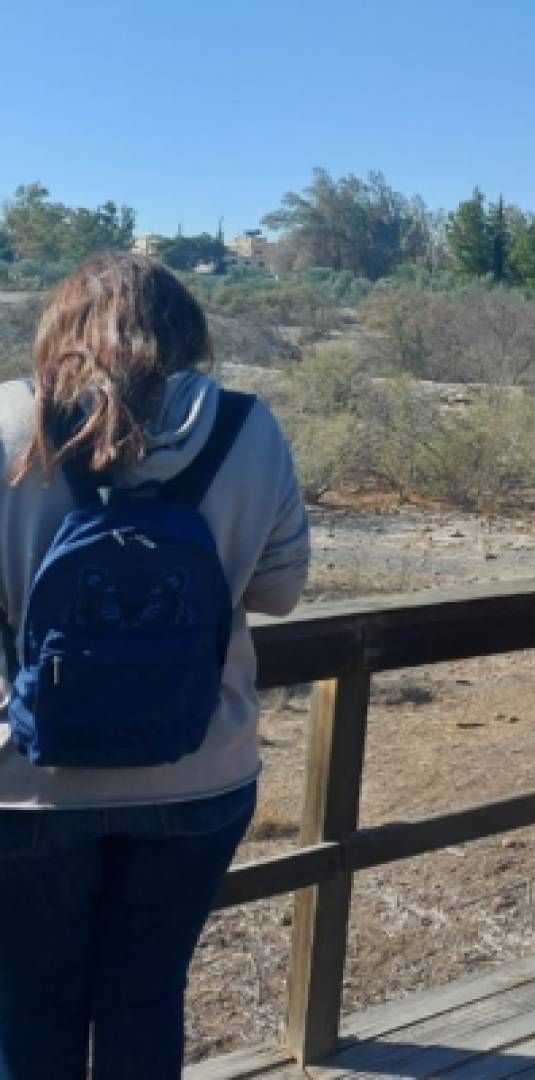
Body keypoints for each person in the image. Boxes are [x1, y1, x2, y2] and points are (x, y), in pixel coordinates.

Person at [0, 252, 310, 1077]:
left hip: (26, 784)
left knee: (31, 1006)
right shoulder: (251, 426)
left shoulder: (5, 422)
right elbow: (279, 591)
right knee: (145, 996)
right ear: (187, 333)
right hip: (200, 772)